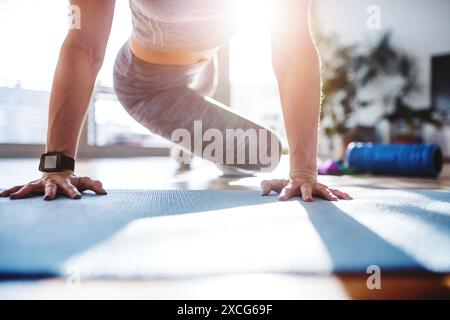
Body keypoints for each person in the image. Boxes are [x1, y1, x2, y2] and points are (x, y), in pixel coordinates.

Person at [0, 0, 351, 202]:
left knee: (267, 154)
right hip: (149, 87)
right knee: (263, 151)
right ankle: (184, 141)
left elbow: (291, 47)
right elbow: (84, 47)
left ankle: (188, 143)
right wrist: (57, 166)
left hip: (204, 70)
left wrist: (304, 171)